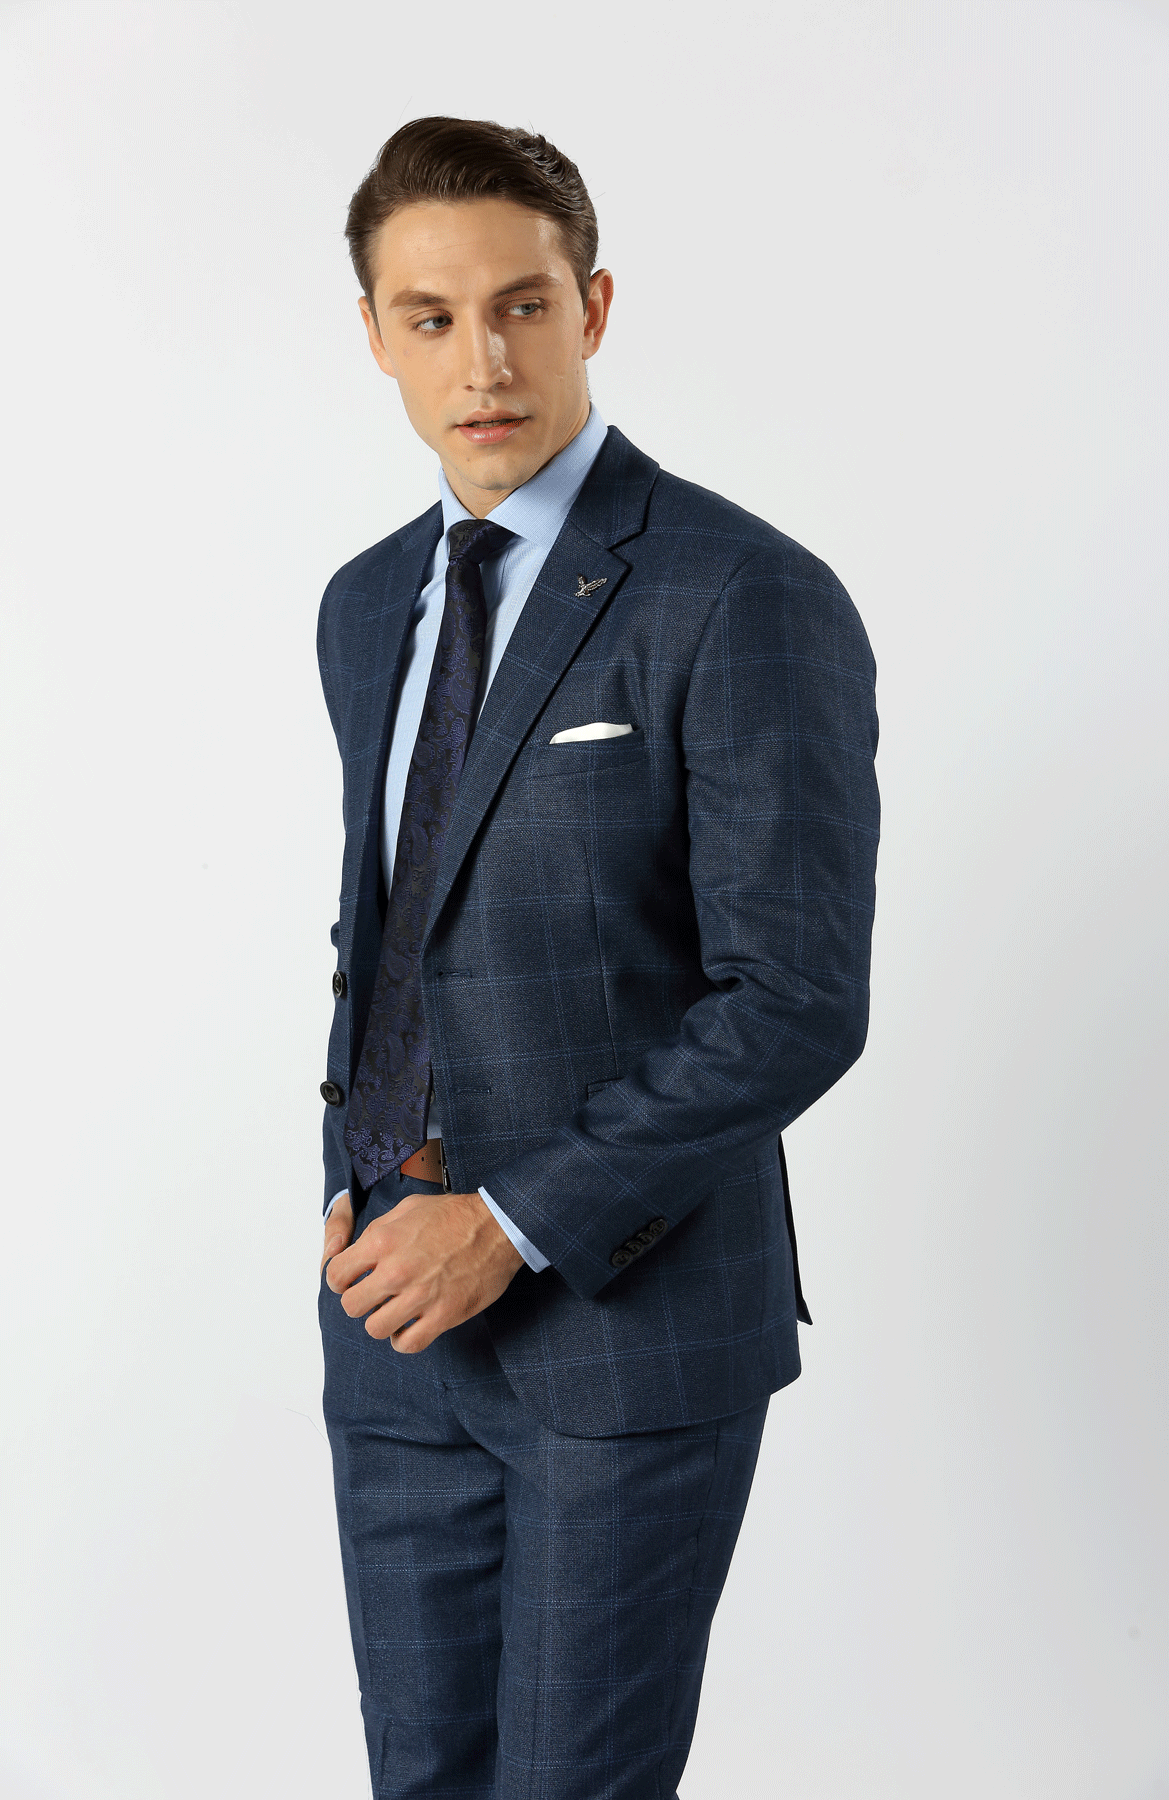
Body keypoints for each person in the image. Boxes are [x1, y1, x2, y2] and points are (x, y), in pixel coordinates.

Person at [315, 115, 879, 1800]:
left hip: (622, 1331)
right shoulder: (366, 604)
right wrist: (366, 1177)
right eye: (431, 317)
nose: (482, 361)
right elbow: (407, 924)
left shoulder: (740, 591)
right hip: (392, 1319)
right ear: (376, 336)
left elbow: (794, 999)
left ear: (595, 307)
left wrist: (505, 1223)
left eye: (523, 305)